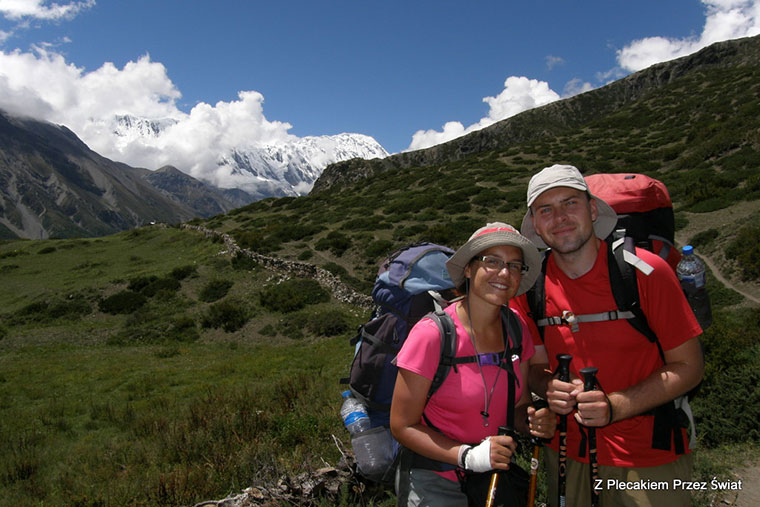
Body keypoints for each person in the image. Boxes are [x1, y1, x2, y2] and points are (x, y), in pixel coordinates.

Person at [512, 164, 704, 507]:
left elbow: (689, 366)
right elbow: (536, 369)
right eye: (546, 209)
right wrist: (548, 388)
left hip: (648, 457)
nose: (560, 217)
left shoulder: (647, 272)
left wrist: (614, 407)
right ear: (536, 227)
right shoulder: (530, 287)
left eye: (570, 203)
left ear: (593, 209)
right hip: (566, 454)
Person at [390, 222, 556, 506]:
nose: (504, 273)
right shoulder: (432, 335)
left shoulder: (516, 329)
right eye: (491, 261)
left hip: (491, 474)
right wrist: (466, 456)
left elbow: (518, 405)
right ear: (468, 268)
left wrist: (534, 421)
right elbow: (402, 426)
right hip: (435, 478)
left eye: (515, 265)